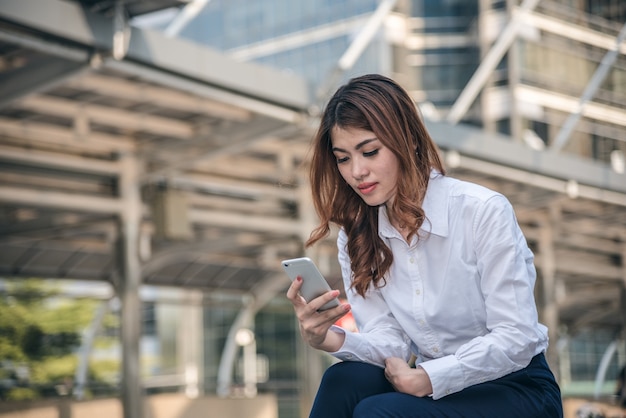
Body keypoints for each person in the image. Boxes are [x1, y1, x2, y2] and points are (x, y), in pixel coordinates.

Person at [286, 74, 563, 417]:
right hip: (427, 381)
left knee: (378, 413)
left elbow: (516, 337)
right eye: (343, 158)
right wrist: (326, 338)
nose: (357, 171)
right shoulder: (357, 237)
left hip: (515, 387)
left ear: (408, 141)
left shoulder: (481, 211)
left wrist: (431, 378)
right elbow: (391, 343)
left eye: (369, 151)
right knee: (342, 380)